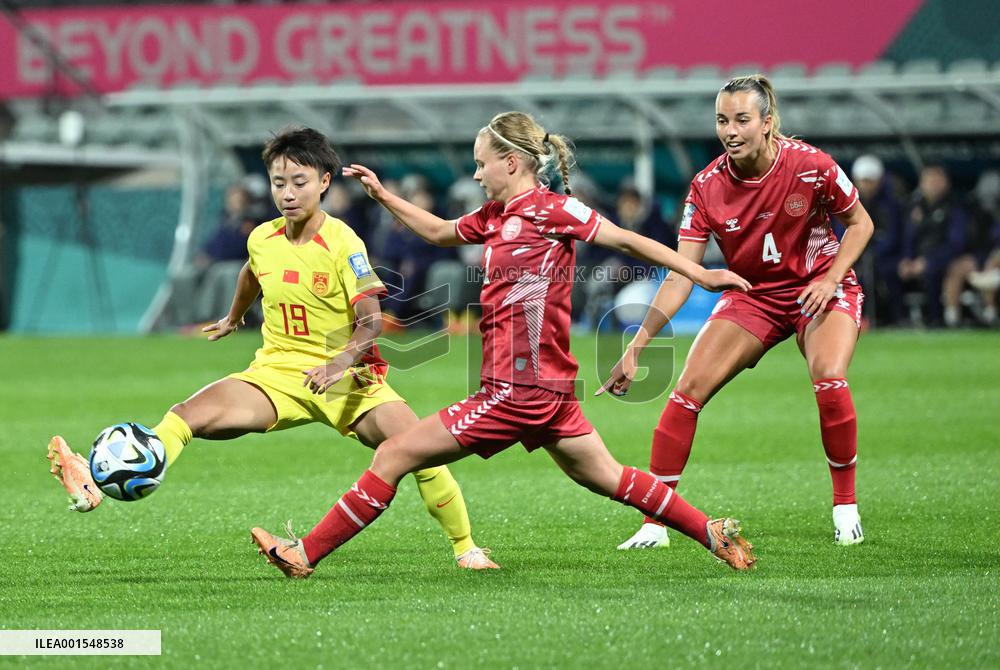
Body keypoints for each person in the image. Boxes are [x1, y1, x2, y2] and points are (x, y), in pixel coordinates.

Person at [250, 111, 757, 579]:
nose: (476, 175)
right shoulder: (496, 214)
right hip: (547, 388)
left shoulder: (553, 210)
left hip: (516, 389)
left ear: (511, 163)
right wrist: (382, 194)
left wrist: (700, 273)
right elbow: (440, 232)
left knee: (395, 454)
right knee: (607, 476)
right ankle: (711, 533)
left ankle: (304, 554)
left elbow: (627, 239)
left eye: (481, 164)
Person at [47, 126, 496, 570]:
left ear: (324, 181)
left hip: (348, 379)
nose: (288, 193)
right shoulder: (262, 237)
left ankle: (467, 549)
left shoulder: (343, 242)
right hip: (277, 374)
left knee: (418, 450)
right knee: (185, 416)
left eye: (299, 182)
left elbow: (372, 321)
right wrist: (235, 315)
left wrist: (339, 362)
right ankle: (93, 482)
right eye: (279, 183)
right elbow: (251, 272)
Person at [601, 75, 874, 550]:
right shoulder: (706, 187)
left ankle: (845, 508)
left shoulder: (811, 165)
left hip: (818, 287)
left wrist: (831, 278)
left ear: (766, 123)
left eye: (742, 120)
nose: (730, 130)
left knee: (829, 376)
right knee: (686, 392)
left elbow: (860, 223)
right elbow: (681, 274)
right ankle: (654, 524)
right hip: (753, 295)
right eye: (722, 120)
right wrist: (638, 345)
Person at [898, 163, 968, 327]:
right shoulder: (915, 206)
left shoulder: (954, 206)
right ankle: (897, 318)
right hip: (917, 260)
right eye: (929, 180)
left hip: (944, 259)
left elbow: (956, 243)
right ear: (921, 183)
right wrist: (906, 259)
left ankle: (936, 319)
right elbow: (908, 238)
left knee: (931, 271)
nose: (933, 184)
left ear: (946, 182)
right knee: (889, 269)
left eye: (937, 180)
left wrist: (928, 261)